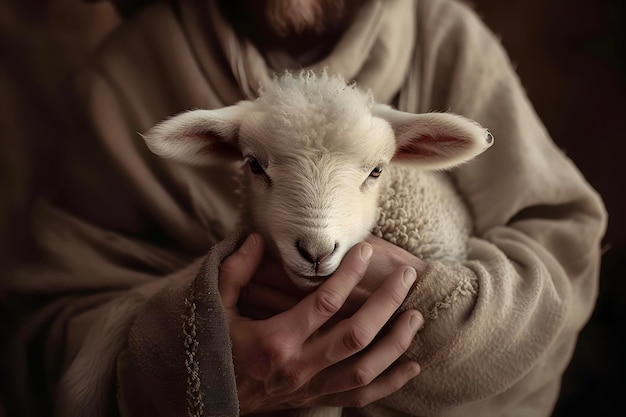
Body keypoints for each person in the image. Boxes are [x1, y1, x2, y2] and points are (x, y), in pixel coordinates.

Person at [0, 0, 607, 416]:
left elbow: (563, 250)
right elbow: (42, 336)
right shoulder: (128, 75)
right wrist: (198, 365)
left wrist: (432, 312)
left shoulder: (444, 36)